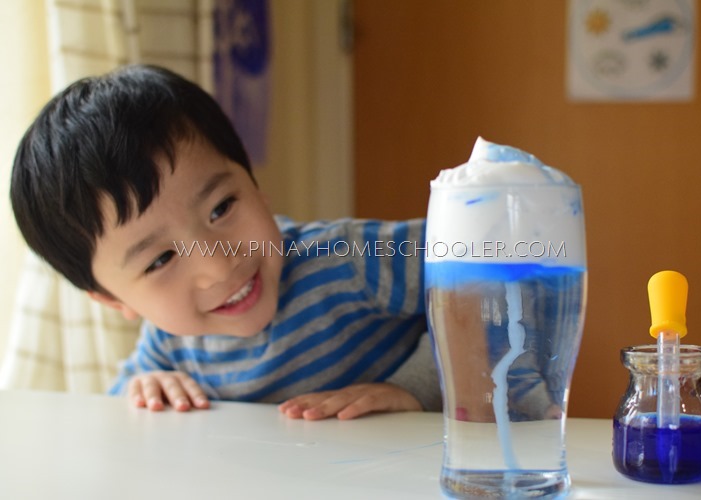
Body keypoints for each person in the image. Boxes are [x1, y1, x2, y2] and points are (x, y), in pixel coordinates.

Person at [10, 64, 440, 420]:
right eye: (160, 259)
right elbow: (120, 413)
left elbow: (494, 269)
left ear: (255, 186)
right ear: (113, 299)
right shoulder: (167, 340)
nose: (218, 265)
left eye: (220, 209)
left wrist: (413, 388)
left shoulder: (347, 258)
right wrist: (144, 391)